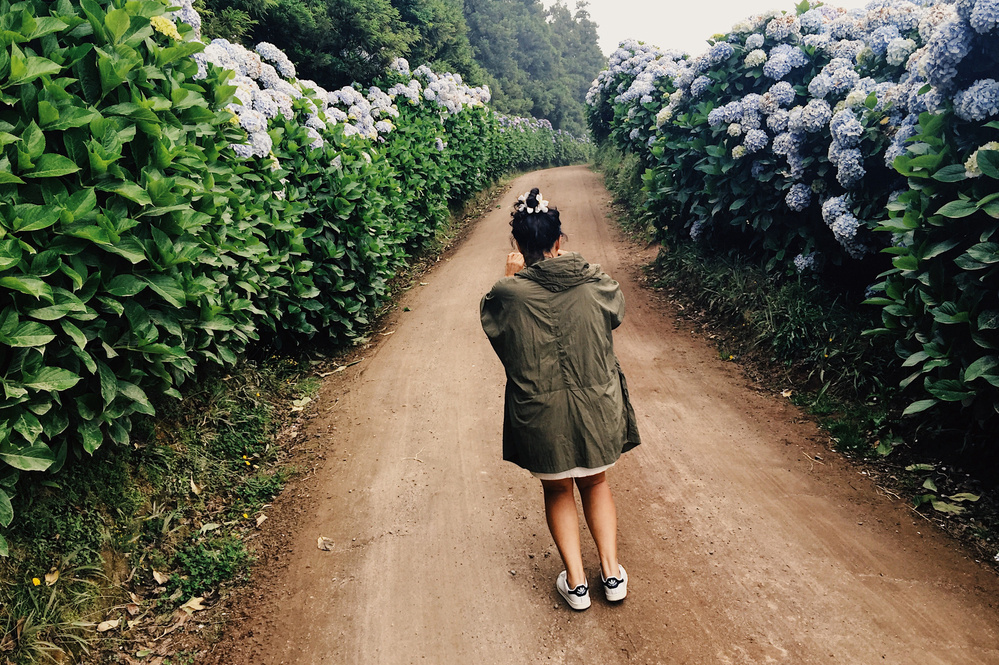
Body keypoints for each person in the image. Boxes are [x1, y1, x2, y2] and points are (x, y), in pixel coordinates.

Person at [480, 187, 641, 610]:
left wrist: (513, 277)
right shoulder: (594, 281)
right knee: (596, 482)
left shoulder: (509, 293)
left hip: (540, 414)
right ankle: (610, 573)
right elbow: (617, 310)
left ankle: (576, 583)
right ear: (558, 242)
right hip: (596, 409)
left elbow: (498, 328)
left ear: (518, 246)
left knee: (557, 491)